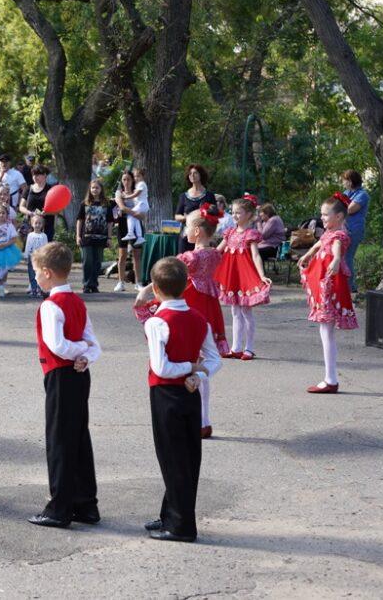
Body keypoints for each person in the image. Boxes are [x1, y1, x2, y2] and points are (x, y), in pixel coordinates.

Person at [138, 257, 221, 543]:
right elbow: (213, 358)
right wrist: (199, 376)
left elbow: (161, 367)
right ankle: (171, 513)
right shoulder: (199, 318)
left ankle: (181, 525)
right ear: (186, 285)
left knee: (173, 459)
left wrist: (190, 368)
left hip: (166, 393)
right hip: (190, 393)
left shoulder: (157, 322)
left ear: (156, 289)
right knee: (185, 457)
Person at [27, 242, 102, 528]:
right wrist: (85, 354)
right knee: (79, 437)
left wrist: (79, 352)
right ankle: (86, 504)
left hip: (60, 374)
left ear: (47, 273)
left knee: (60, 440)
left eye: (36, 272)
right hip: (79, 374)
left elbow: (56, 345)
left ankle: (59, 508)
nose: (35, 277)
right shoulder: (77, 302)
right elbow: (92, 342)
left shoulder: (51, 305)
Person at [135, 205, 228, 439]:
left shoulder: (192, 257)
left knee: (189, 355)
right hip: (209, 305)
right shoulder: (214, 253)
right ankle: (204, 420)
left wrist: (147, 289)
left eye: (187, 226)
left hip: (191, 303)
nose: (185, 231)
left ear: (197, 231)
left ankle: (197, 416)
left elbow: (169, 272)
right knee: (204, 359)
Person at [298, 193, 358, 394]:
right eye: (322, 214)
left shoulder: (339, 234)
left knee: (327, 331)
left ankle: (330, 379)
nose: (322, 218)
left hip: (330, 285)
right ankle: (329, 377)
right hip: (324, 281)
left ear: (339, 217)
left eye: (325, 215)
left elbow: (337, 247)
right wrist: (308, 254)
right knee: (325, 331)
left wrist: (336, 259)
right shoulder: (328, 233)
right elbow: (320, 243)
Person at [215, 195, 271, 361]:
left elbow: (255, 256)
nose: (234, 215)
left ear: (249, 214)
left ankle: (249, 348)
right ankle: (236, 347)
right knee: (234, 312)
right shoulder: (230, 232)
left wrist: (261, 275)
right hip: (231, 276)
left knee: (246, 311)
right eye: (233, 212)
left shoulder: (250, 234)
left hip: (245, 276)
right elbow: (218, 251)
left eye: (238, 212)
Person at [76, 179, 113, 294]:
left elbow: (110, 222)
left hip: (101, 237)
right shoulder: (85, 203)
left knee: (97, 262)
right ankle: (86, 284)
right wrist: (77, 236)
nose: (94, 190)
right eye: (93, 188)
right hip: (86, 237)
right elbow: (80, 220)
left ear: (101, 189)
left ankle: (94, 284)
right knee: (87, 261)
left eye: (97, 188)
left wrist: (109, 237)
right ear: (90, 189)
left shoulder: (106, 204)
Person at [113, 170, 145, 292]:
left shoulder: (138, 194)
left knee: (137, 255)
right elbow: (121, 206)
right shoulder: (119, 193)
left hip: (137, 225)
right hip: (123, 225)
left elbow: (143, 215)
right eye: (124, 179)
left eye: (128, 179)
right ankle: (121, 282)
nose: (126, 182)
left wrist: (136, 215)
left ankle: (138, 282)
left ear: (133, 180)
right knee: (122, 255)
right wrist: (134, 213)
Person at [174, 164, 217, 252]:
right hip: (187, 234)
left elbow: (215, 216)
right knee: (184, 262)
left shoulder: (209, 196)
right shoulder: (183, 196)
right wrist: (187, 218)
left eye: (195, 173)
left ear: (201, 175)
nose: (192, 175)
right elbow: (177, 216)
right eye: (190, 174)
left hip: (203, 236)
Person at [341, 169, 369, 292]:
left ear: (351, 181)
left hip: (354, 229)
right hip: (343, 228)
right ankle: (344, 285)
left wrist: (339, 207)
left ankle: (350, 288)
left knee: (347, 257)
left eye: (344, 180)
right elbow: (335, 205)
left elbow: (350, 210)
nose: (343, 183)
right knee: (341, 256)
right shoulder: (346, 192)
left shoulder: (362, 194)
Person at [19, 165, 59, 242]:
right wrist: (29, 213)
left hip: (46, 226)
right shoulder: (28, 188)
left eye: (37, 174)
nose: (35, 177)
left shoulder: (51, 189)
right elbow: (21, 207)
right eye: (33, 174)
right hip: (30, 225)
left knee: (45, 251)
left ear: (44, 175)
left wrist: (47, 213)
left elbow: (58, 210)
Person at [119, 168, 149, 245]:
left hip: (142, 204)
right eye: (135, 176)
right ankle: (139, 237)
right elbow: (122, 207)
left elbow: (136, 194)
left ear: (143, 176)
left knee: (130, 215)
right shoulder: (137, 185)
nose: (136, 178)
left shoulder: (142, 184)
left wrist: (126, 197)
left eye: (138, 176)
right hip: (141, 205)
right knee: (135, 219)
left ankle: (130, 233)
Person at [24, 214, 50, 298]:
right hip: (31, 258)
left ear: (42, 225)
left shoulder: (44, 236)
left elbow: (45, 247)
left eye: (39, 223)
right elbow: (27, 246)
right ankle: (33, 289)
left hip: (40, 258)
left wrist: (46, 257)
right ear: (32, 224)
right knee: (31, 274)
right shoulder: (30, 235)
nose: (37, 225)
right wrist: (26, 255)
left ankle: (39, 290)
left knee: (40, 274)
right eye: (36, 223)